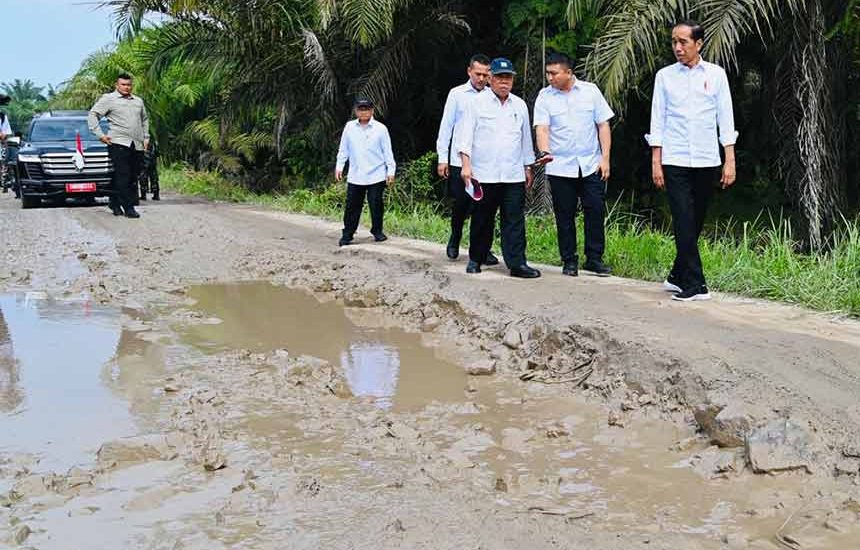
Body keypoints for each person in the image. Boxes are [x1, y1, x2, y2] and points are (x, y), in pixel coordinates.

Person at [646, 20, 737, 302]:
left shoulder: (716, 75)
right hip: (674, 158)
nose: (677, 47)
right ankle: (696, 284)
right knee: (683, 218)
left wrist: (729, 158)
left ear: (699, 44)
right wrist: (656, 160)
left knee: (695, 221)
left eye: (683, 42)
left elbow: (725, 117)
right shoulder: (665, 76)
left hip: (707, 158)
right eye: (674, 41)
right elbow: (657, 118)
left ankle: (676, 275)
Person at [457, 57, 541, 279]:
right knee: (482, 218)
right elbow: (465, 137)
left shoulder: (519, 105)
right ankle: (476, 258)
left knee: (514, 219)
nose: (504, 82)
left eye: (508, 78)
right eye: (500, 77)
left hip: (513, 173)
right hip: (484, 173)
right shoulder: (475, 104)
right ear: (491, 79)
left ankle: (517, 263)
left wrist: (528, 167)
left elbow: (525, 141)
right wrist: (466, 166)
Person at [534, 52, 614, 277]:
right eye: (547, 73)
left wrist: (605, 158)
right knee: (564, 214)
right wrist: (545, 151)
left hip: (591, 164)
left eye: (554, 73)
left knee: (595, 210)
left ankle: (595, 258)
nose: (549, 77)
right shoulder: (545, 96)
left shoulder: (590, 91)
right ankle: (569, 260)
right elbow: (542, 128)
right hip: (560, 166)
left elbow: (603, 125)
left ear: (568, 72)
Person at [435, 54, 498, 265]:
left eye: (485, 74)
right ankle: (455, 238)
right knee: (461, 205)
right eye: (478, 73)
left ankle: (482, 249)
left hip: (486, 163)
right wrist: (442, 158)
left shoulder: (494, 96)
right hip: (459, 161)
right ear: (469, 71)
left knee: (485, 208)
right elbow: (446, 127)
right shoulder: (457, 94)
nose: (481, 78)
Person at [88, 73, 150, 218]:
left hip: (137, 144)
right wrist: (101, 135)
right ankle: (129, 208)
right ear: (117, 85)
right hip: (118, 142)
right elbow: (93, 115)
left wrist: (146, 137)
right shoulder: (109, 99)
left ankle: (114, 201)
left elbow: (144, 120)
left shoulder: (138, 101)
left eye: (128, 85)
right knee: (123, 174)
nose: (126, 87)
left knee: (132, 176)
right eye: (123, 84)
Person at [335, 98, 396, 246]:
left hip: (376, 173)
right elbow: (344, 149)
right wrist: (339, 166)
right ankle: (348, 234)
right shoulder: (350, 127)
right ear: (356, 111)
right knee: (352, 206)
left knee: (376, 204)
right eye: (361, 109)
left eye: (366, 109)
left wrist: (391, 171)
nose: (364, 112)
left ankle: (377, 231)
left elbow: (388, 151)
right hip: (356, 174)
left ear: (372, 111)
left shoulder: (381, 129)